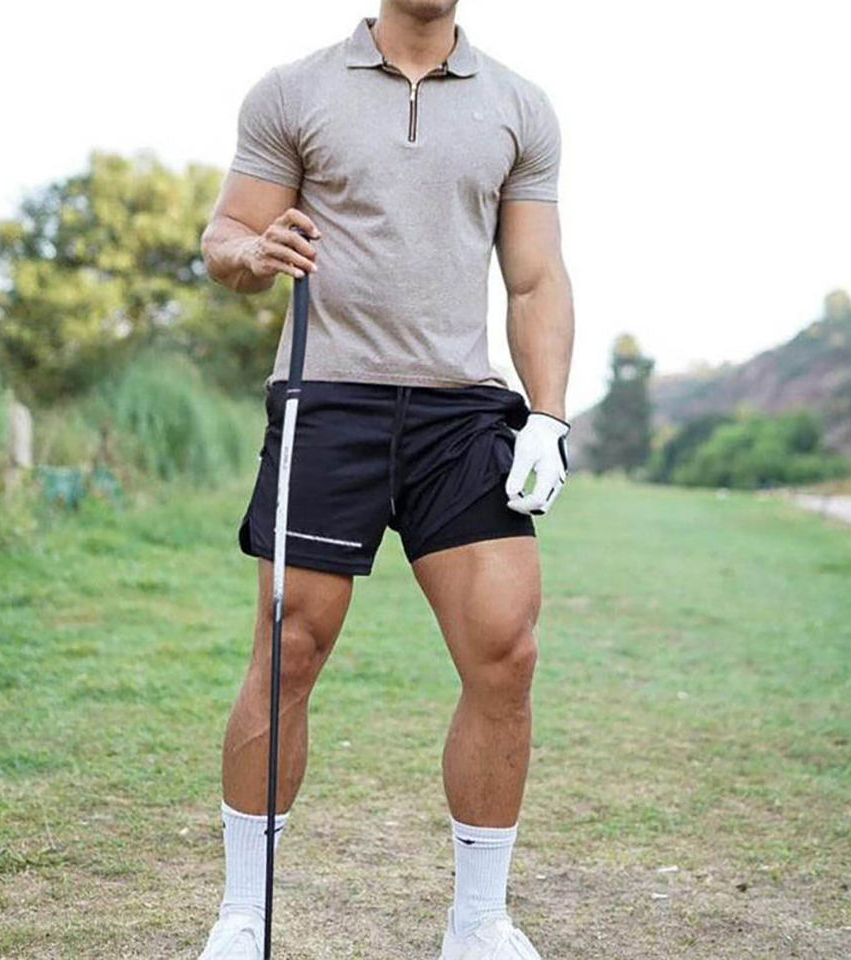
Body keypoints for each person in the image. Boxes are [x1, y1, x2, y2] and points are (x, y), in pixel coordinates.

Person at [198, 2, 574, 957]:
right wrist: (254, 252)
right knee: (289, 649)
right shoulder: (294, 92)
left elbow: (534, 278)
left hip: (460, 412)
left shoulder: (518, 106)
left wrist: (548, 415)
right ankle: (244, 915)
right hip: (329, 399)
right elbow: (226, 237)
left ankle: (479, 923)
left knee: (507, 653)